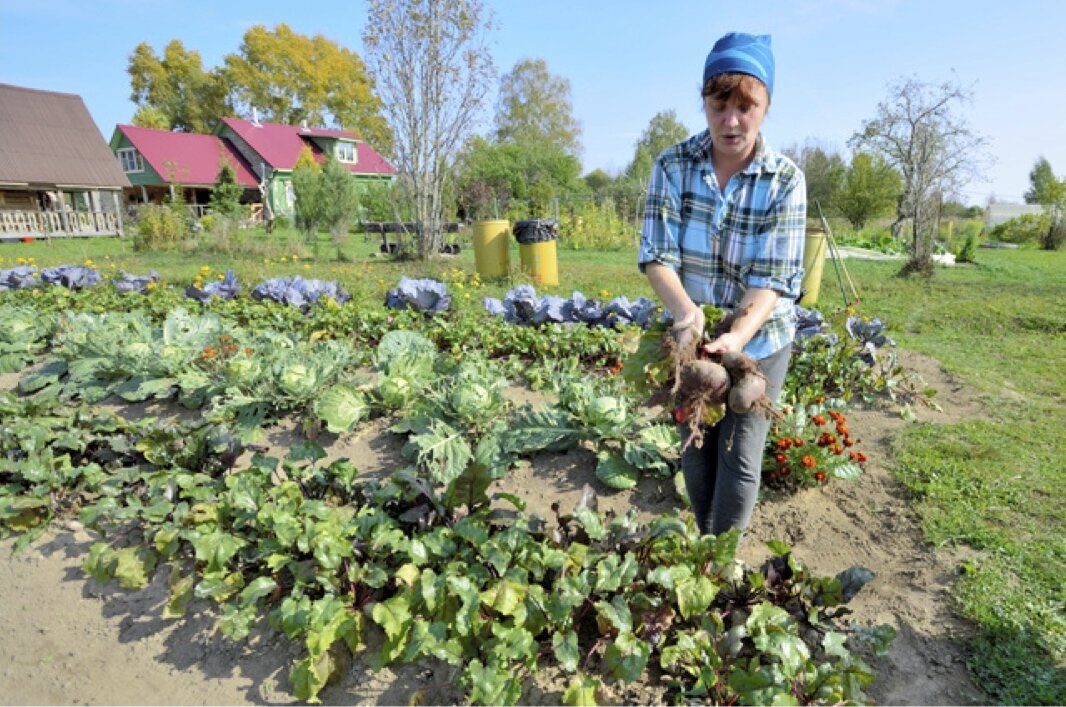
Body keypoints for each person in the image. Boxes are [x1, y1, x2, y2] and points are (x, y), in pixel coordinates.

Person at [638, 32, 806, 537]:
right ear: (704, 102)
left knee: (739, 453)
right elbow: (656, 255)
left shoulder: (784, 179)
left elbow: (773, 277)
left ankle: (720, 555)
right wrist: (688, 316)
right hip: (693, 338)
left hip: (761, 340)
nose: (731, 120)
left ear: (766, 105)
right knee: (695, 445)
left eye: (746, 106)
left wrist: (737, 338)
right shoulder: (673, 165)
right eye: (719, 104)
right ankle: (704, 535)